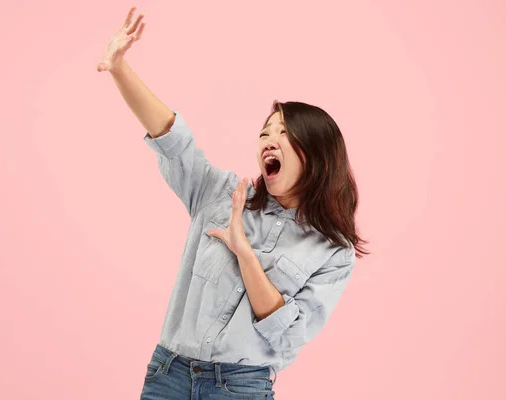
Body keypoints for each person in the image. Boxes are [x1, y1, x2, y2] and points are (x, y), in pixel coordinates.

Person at [98, 6, 369, 400]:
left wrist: (245, 253)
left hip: (240, 388)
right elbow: (174, 140)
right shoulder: (221, 194)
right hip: (167, 375)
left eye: (284, 133)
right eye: (264, 132)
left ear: (315, 154)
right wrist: (120, 68)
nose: (267, 140)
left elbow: (286, 337)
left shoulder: (333, 252)